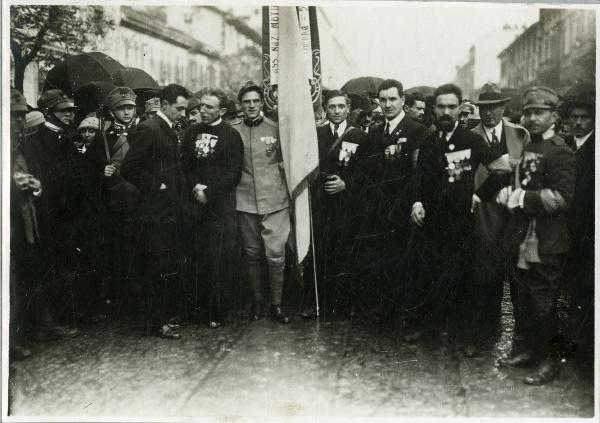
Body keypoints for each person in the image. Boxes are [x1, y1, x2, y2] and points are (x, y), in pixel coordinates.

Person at [496, 86, 575, 385]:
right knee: (525, 299)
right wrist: (509, 193)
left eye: (539, 112)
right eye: (528, 112)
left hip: (547, 240)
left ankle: (550, 361)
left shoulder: (560, 151)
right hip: (523, 239)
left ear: (554, 115)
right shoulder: (529, 148)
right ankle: (530, 350)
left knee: (545, 302)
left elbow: (561, 198)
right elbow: (524, 182)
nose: (532, 118)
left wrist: (521, 198)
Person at [405, 83, 488, 342]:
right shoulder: (428, 140)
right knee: (429, 275)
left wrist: (480, 194)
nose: (446, 112)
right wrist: (417, 202)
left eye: (451, 107)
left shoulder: (472, 140)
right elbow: (419, 176)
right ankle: (429, 328)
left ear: (461, 108)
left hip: (462, 221)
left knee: (463, 277)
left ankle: (466, 337)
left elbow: (502, 168)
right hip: (432, 221)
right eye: (441, 106)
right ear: (434, 108)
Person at [463, 83, 529, 357]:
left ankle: (522, 341)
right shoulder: (468, 137)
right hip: (483, 217)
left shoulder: (520, 135)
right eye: (485, 108)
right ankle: (482, 337)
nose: (490, 114)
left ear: (504, 107)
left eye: (495, 107)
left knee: (519, 282)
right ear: (478, 109)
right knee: (484, 278)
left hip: (516, 219)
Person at [121, 84, 190, 339]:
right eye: (179, 108)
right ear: (164, 104)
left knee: (166, 265)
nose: (183, 113)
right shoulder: (149, 129)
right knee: (155, 267)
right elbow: (129, 168)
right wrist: (156, 185)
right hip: (154, 212)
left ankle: (163, 318)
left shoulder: (169, 129)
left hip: (169, 210)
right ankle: (157, 322)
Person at [358, 79, 427, 319]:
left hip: (404, 206)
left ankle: (404, 314)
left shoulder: (417, 130)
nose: (387, 105)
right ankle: (384, 310)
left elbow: (420, 172)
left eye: (392, 99)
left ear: (403, 101)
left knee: (404, 260)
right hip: (379, 209)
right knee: (382, 259)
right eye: (383, 100)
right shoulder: (375, 131)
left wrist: (415, 201)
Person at [21, 89, 84, 340]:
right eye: (64, 111)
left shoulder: (63, 135)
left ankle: (62, 316)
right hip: (51, 212)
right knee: (51, 267)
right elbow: (47, 177)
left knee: (64, 265)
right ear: (49, 112)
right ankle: (49, 323)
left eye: (71, 111)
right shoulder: (40, 139)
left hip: (66, 212)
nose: (70, 115)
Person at [301, 90, 368, 318]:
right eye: (332, 107)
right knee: (318, 249)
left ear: (348, 108)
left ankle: (343, 302)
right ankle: (315, 301)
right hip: (320, 200)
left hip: (346, 203)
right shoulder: (315, 133)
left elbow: (367, 172)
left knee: (344, 249)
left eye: (341, 106)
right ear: (325, 109)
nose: (337, 111)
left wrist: (347, 183)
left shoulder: (359, 135)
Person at [180, 87, 244, 328]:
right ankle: (197, 308)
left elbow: (234, 172)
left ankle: (218, 310)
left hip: (220, 205)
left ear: (222, 110)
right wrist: (195, 187)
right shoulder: (191, 132)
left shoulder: (231, 135)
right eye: (201, 106)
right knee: (197, 255)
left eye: (208, 107)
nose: (202, 111)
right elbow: (184, 164)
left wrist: (210, 192)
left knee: (220, 257)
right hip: (195, 203)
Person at [232, 81, 292, 323]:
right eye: (247, 102)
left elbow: (285, 163)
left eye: (256, 101)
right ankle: (258, 301)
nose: (252, 106)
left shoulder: (275, 128)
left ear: (262, 103)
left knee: (276, 254)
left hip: (275, 201)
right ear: (241, 105)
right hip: (244, 200)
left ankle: (277, 304)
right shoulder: (232, 130)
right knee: (251, 253)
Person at [562, 88, 595, 363]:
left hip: (590, 228)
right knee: (573, 287)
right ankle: (575, 338)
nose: (579, 122)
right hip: (568, 228)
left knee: (586, 287)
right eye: (574, 117)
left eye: (585, 117)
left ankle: (583, 345)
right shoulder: (565, 145)